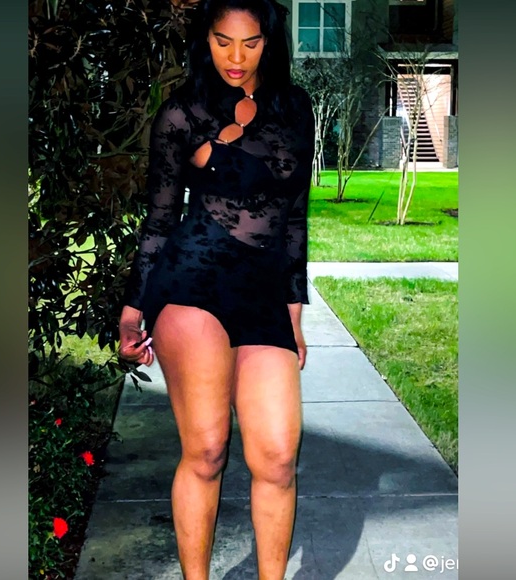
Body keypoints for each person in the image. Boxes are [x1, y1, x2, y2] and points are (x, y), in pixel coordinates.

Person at [118, 0, 314, 577]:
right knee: (206, 451)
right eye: (223, 40)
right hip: (193, 282)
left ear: (268, 42)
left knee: (277, 457)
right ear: (205, 39)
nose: (236, 56)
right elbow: (159, 221)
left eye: (250, 43)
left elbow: (295, 218)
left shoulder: (294, 107)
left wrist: (295, 314)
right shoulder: (182, 114)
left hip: (263, 293)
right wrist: (133, 309)